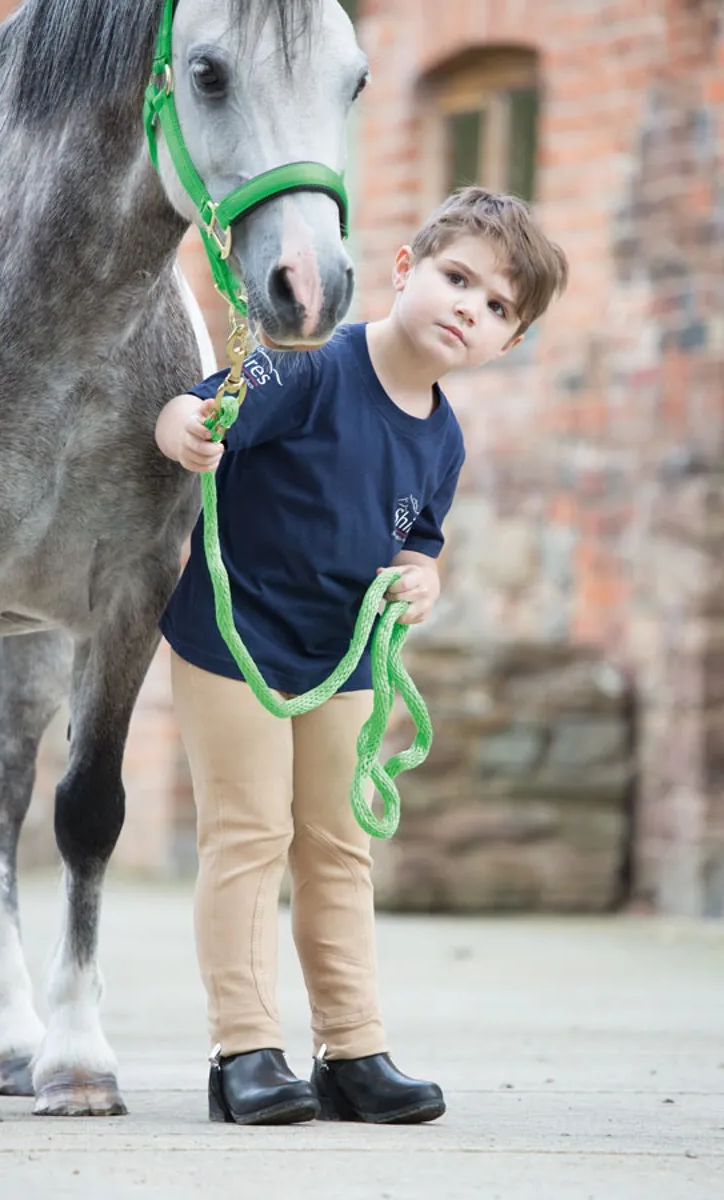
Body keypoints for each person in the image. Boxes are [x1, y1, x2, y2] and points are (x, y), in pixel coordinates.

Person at [155, 188, 568, 1126]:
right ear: (403, 270)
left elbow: (420, 535)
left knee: (340, 848)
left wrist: (420, 577)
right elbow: (204, 404)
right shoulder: (311, 369)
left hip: (345, 657)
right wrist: (179, 426)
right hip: (238, 642)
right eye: (457, 278)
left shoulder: (444, 437)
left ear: (509, 342)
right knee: (250, 837)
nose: (470, 307)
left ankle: (352, 1049)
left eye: (499, 308)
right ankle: (244, 1051)